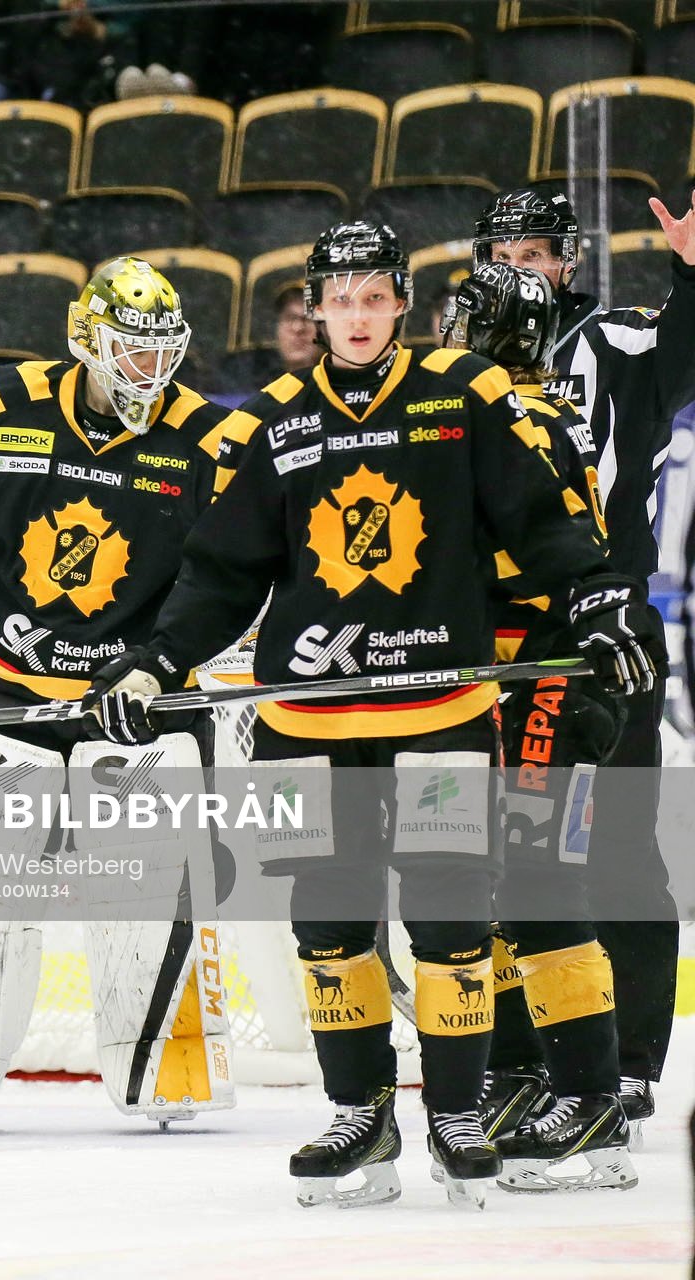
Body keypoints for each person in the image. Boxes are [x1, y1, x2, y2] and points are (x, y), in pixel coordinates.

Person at [87, 221, 663, 1209]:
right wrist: (153, 660)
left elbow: (540, 520)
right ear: (314, 308)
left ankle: (452, 1113)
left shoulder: (463, 394)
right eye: (338, 299)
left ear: (400, 301)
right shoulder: (268, 420)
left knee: (449, 918)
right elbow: (222, 574)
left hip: (439, 710)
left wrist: (600, 600)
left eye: (372, 298)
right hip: (308, 723)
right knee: (327, 926)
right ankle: (360, 1112)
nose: (355, 317)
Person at [0, 257, 242, 1136]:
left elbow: (223, 582)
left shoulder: (210, 442)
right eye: (129, 352)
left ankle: (162, 1053)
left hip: (137, 699)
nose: (149, 373)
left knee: (147, 891)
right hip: (5, 691)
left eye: (163, 354)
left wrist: (161, 664)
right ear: (85, 338)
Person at [473, 185, 695, 1136]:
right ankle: (522, 1057)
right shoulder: (457, 363)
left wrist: (693, 270)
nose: (521, 265)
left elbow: (688, 348)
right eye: (504, 250)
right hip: (498, 643)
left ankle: (630, 1065)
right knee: (507, 851)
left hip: (603, 637)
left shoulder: (618, 342)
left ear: (570, 261)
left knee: (613, 848)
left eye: (538, 251)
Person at [442, 261, 635, 1192]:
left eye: (462, 319)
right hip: (501, 680)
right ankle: (523, 1077)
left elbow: (546, 557)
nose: (447, 331)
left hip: (548, 675)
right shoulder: (489, 415)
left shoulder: (520, 422)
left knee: (539, 882)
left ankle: (594, 1098)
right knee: (497, 885)